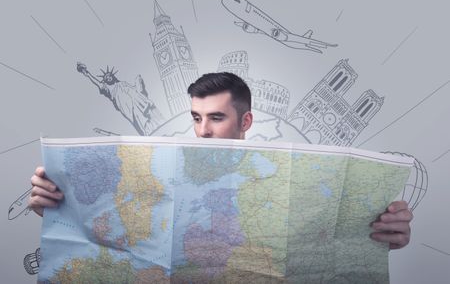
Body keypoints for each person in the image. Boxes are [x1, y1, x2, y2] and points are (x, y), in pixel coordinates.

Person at [29, 72, 413, 250]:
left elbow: (323, 236)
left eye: (216, 117)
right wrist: (59, 204)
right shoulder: (159, 167)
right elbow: (119, 223)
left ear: (245, 121)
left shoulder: (291, 174)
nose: (203, 130)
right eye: (197, 117)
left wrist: (386, 236)